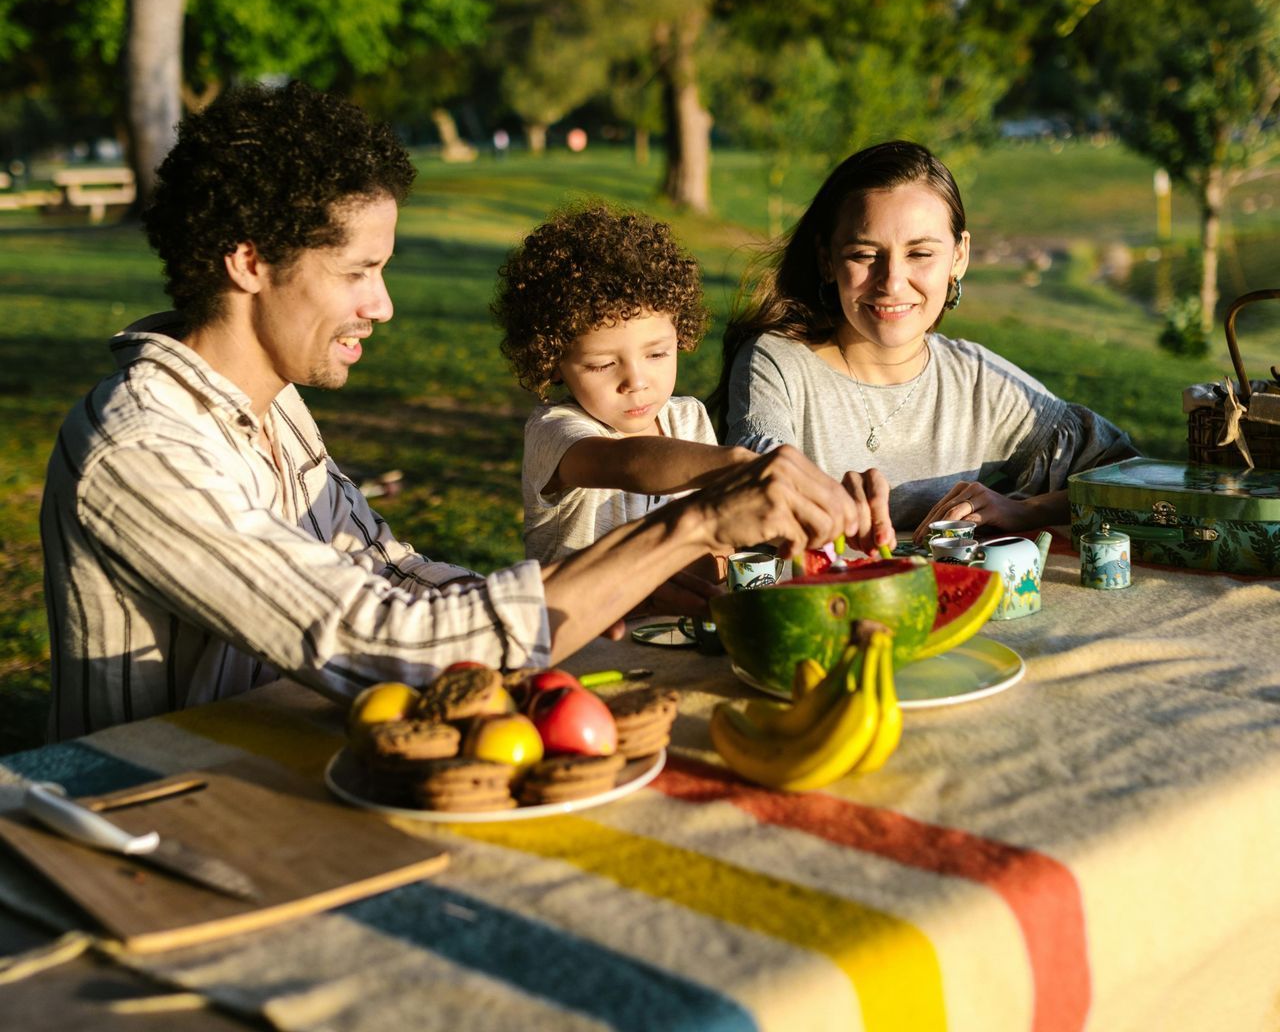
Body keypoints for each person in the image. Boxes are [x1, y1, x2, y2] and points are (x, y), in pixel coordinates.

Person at [40, 82, 864, 741]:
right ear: (250, 262)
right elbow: (384, 641)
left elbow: (388, 572)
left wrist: (605, 595)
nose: (384, 305)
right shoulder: (140, 449)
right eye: (358, 272)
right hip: (161, 820)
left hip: (278, 757)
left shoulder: (268, 404)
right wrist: (686, 526)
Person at [711, 140, 1136, 546]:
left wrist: (1025, 510)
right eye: (864, 255)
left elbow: (1135, 482)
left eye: (919, 254)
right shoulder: (779, 363)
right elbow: (757, 481)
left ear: (959, 257)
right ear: (827, 260)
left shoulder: (978, 383)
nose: (892, 281)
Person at [493, 204, 756, 613]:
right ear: (552, 360)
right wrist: (740, 467)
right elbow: (627, 462)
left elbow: (717, 545)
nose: (636, 381)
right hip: (577, 641)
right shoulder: (555, 432)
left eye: (657, 354)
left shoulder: (688, 420)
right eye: (602, 364)